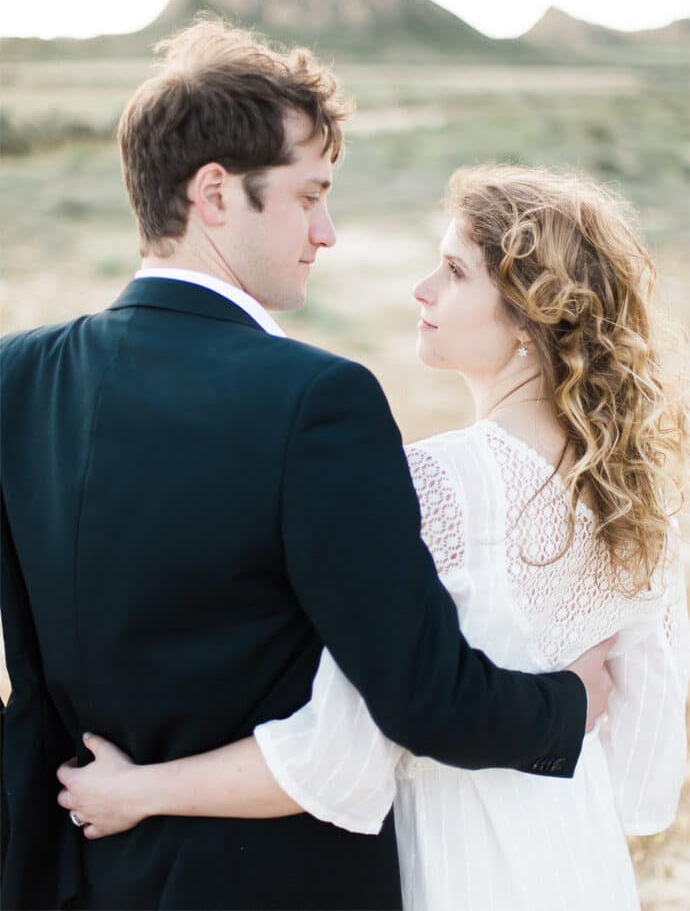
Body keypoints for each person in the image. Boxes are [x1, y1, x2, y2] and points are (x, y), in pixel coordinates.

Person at [1, 21, 612, 911]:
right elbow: (421, 696)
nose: (325, 230)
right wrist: (567, 707)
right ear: (215, 192)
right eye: (307, 194)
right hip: (273, 883)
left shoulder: (18, 375)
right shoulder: (316, 400)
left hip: (76, 866)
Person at [57, 166, 689, 911]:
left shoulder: (437, 483)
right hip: (582, 862)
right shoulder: (640, 501)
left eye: (454, 271)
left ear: (529, 316)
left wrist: (136, 791)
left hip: (458, 868)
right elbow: (646, 774)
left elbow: (339, 759)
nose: (422, 290)